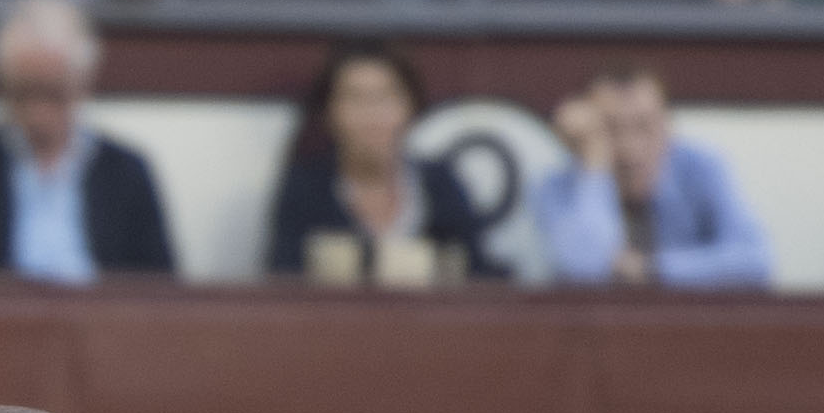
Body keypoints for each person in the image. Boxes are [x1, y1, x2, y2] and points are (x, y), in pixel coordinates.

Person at [0, 0, 173, 280]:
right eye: (23, 94)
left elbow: (160, 290)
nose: (38, 114)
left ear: (83, 85)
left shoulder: (125, 173)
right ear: (1, 85)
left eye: (53, 94)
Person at [265, 42, 497, 282]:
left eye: (384, 97)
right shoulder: (305, 190)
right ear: (330, 112)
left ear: (411, 107)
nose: (371, 116)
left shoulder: (440, 184)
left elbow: (478, 277)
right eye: (355, 98)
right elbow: (284, 281)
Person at [532, 64, 772, 284]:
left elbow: (755, 259)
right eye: (611, 128)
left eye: (644, 126)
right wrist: (595, 164)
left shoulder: (702, 167)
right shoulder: (562, 184)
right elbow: (585, 270)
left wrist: (652, 268)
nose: (629, 149)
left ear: (667, 125)